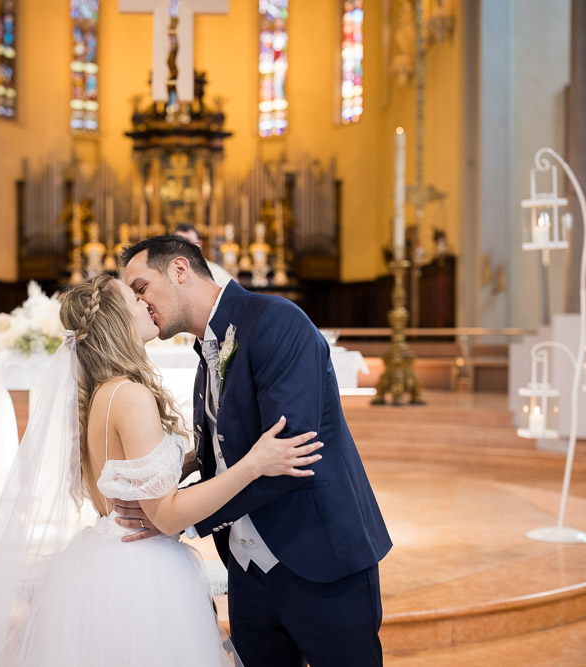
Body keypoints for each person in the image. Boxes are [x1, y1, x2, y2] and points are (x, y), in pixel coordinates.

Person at [0, 272, 323, 666]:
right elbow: (167, 515)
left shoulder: (100, 395)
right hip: (141, 574)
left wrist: (192, 458)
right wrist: (254, 463)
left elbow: (130, 476)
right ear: (117, 321)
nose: (146, 303)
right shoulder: (131, 396)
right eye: (134, 299)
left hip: (104, 560)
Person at [121, 235, 393, 667]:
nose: (139, 303)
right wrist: (166, 498)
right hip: (248, 573)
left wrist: (176, 517)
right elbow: (227, 459)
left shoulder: (275, 322)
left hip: (320, 561)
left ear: (179, 270)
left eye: (140, 288)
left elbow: (290, 457)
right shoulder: (206, 352)